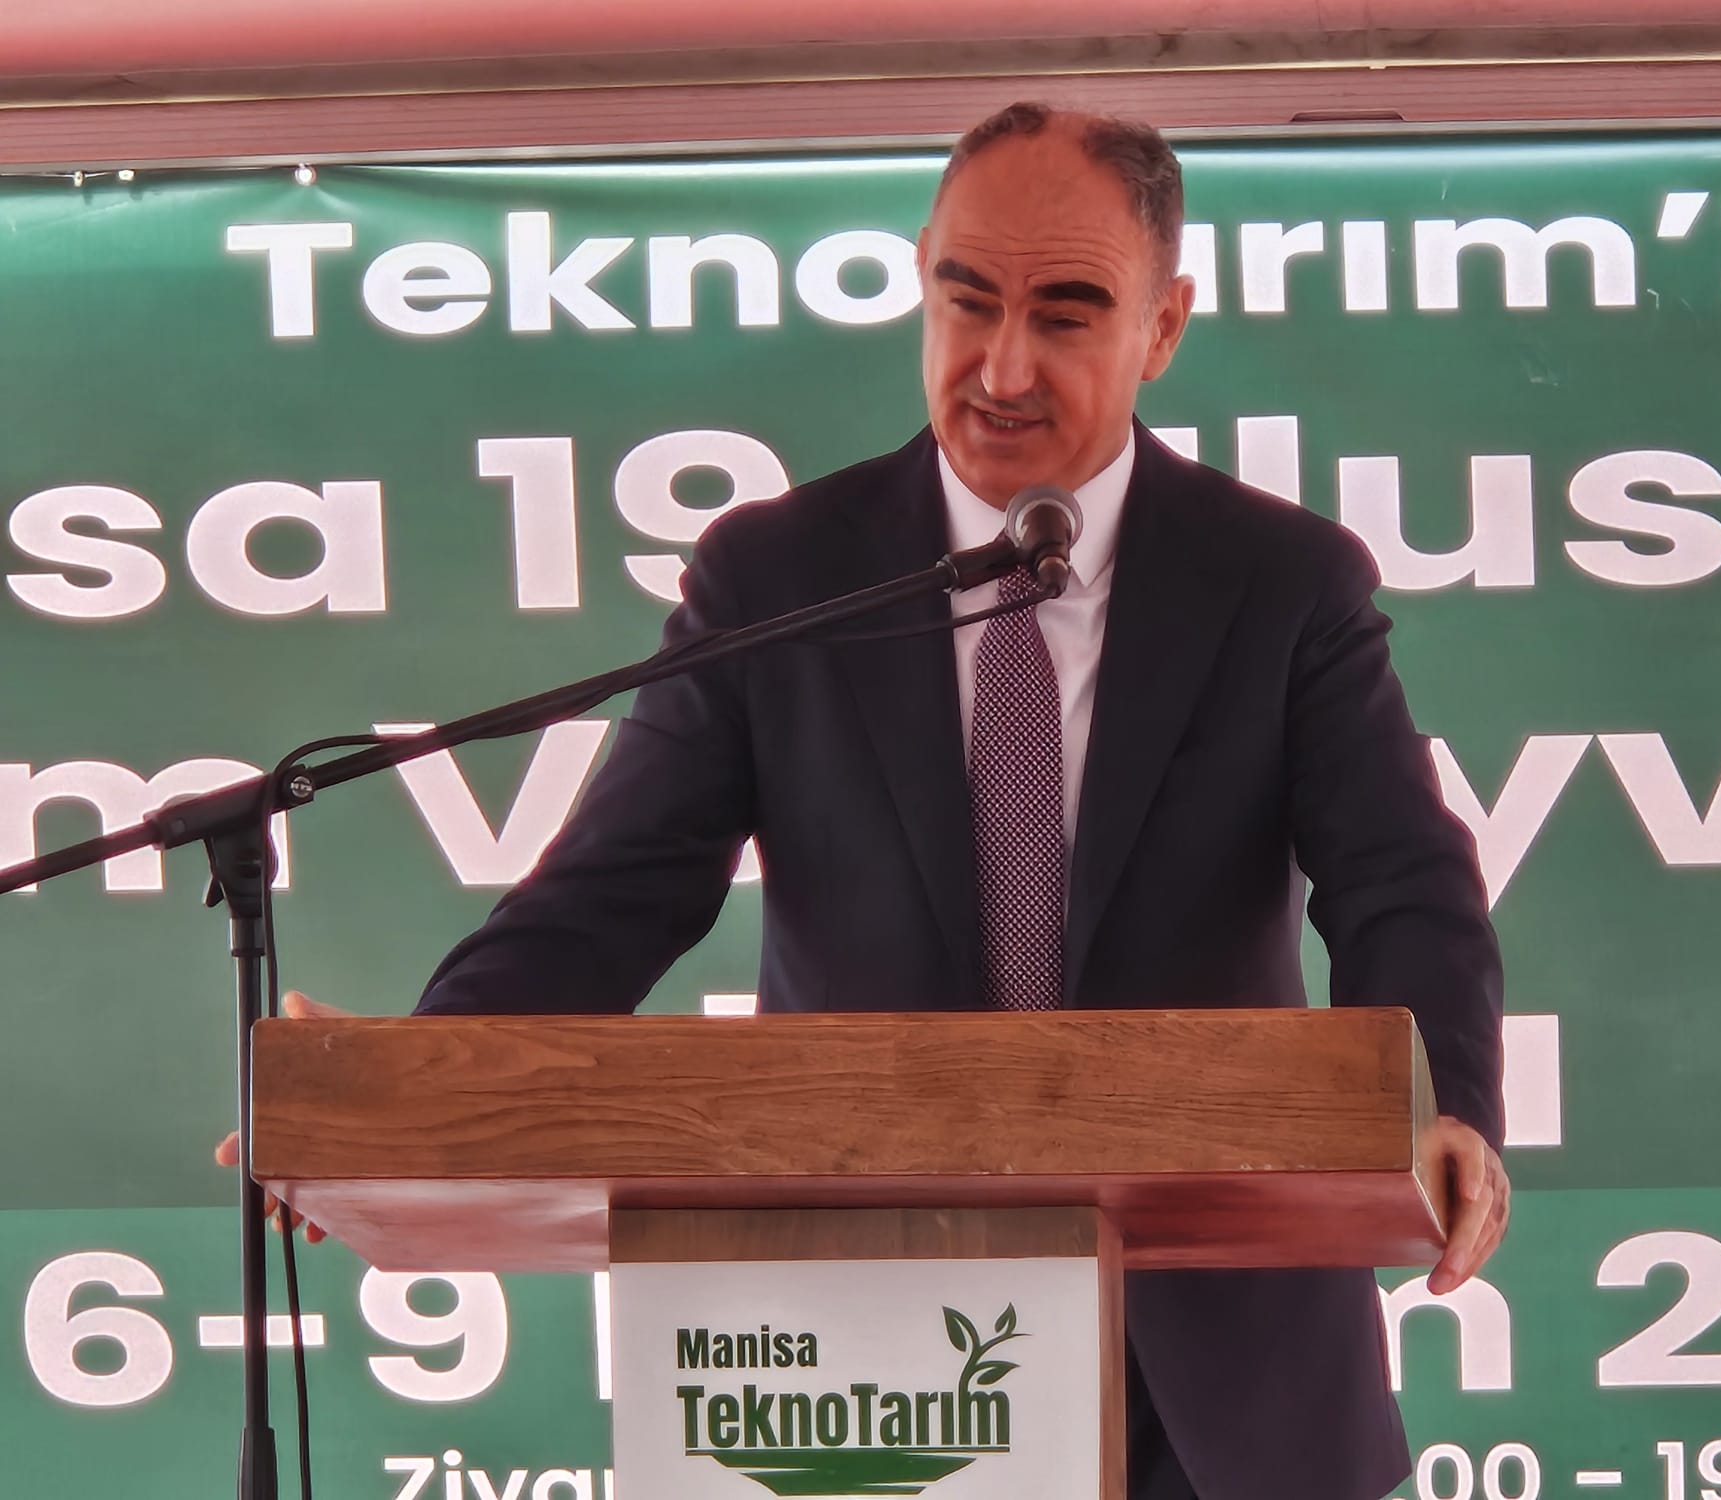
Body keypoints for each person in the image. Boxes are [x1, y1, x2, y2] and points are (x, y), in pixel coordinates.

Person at [222, 102, 1510, 1500]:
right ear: (921, 283)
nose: (1002, 367)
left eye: (1066, 315)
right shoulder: (780, 576)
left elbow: (1399, 880)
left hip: (1220, 1358)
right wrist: (408, 1099)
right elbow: (615, 893)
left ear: (1163, 328)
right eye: (969, 300)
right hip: (868, 1358)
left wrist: (1448, 1103)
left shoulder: (1281, 582)